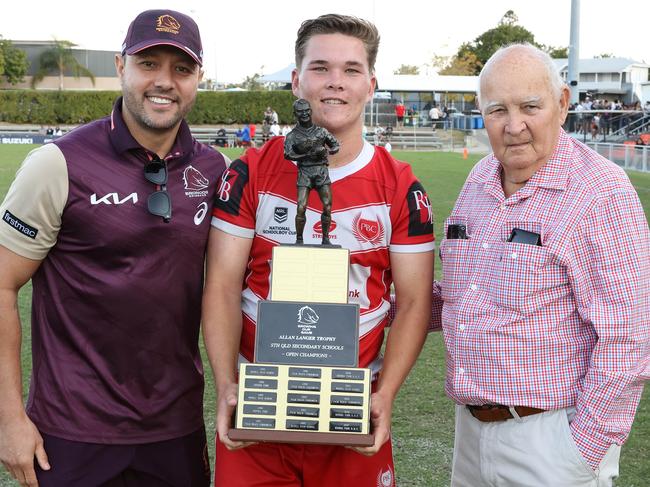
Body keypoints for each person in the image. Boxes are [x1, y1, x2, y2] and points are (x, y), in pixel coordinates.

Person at [202, 13, 435, 487]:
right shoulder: (250, 171)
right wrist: (227, 385)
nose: (335, 83)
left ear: (371, 84)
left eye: (351, 70)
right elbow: (222, 285)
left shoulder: (400, 186)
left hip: (352, 413)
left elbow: (413, 302)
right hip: (259, 410)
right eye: (320, 68)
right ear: (296, 80)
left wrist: (385, 394)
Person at [0, 9, 227, 487]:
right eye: (149, 64)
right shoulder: (57, 163)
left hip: (176, 429)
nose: (164, 82)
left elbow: (232, 288)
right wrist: (8, 420)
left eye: (181, 69)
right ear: (122, 67)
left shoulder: (215, 170)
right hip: (71, 430)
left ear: (198, 79)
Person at [435, 44, 650, 486]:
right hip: (470, 434)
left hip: (551, 441)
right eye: (498, 110)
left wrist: (579, 452)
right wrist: (377, 307)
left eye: (529, 106)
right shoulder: (479, 180)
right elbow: (464, 296)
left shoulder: (600, 193)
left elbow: (628, 336)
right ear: (481, 112)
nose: (514, 126)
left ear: (563, 104)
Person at [284, 98, 340, 245]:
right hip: (305, 172)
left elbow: (335, 145)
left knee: (327, 206)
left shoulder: (321, 132)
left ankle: (326, 238)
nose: (304, 114)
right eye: (300, 112)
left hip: (321, 171)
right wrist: (308, 155)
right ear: (295, 114)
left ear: (311, 111)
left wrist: (328, 151)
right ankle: (299, 239)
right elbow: (288, 154)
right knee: (301, 207)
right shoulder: (292, 136)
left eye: (306, 110)